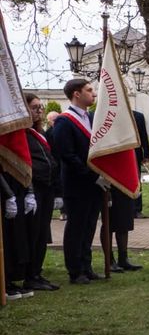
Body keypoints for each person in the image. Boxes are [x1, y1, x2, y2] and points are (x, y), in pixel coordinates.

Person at [53, 79, 104, 285]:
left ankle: (86, 265)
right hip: (77, 183)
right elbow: (67, 154)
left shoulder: (91, 117)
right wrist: (90, 174)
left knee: (90, 225)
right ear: (76, 94)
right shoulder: (64, 121)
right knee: (76, 227)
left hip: (94, 183)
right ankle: (75, 270)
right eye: (89, 90)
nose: (93, 94)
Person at [21, 94, 60, 292]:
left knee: (43, 231)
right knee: (34, 232)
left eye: (40, 107)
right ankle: (29, 275)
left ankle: (37, 272)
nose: (39, 111)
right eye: (34, 107)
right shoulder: (21, 133)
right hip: (32, 188)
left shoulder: (39, 132)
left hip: (47, 187)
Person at [2, 167, 34, 299]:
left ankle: (9, 279)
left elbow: (24, 163)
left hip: (16, 186)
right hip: (5, 189)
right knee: (6, 237)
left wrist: (30, 191)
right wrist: (7, 194)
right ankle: (4, 281)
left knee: (15, 237)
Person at [132, 109, 149, 218]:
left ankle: (137, 209)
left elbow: (143, 135)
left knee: (136, 180)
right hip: (118, 154)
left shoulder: (138, 116)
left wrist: (146, 153)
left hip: (135, 153)